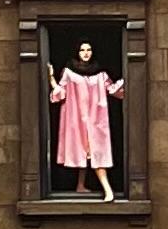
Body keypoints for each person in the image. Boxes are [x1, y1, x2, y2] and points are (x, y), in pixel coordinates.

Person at [48, 39, 125, 199]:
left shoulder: (100, 74)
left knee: (96, 153)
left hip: (96, 121)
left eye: (89, 49)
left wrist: (125, 79)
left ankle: (102, 189)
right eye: (82, 50)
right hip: (77, 121)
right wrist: (51, 79)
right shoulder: (69, 73)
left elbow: (112, 90)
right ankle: (90, 187)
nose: (85, 53)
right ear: (77, 52)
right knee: (85, 153)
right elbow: (61, 93)